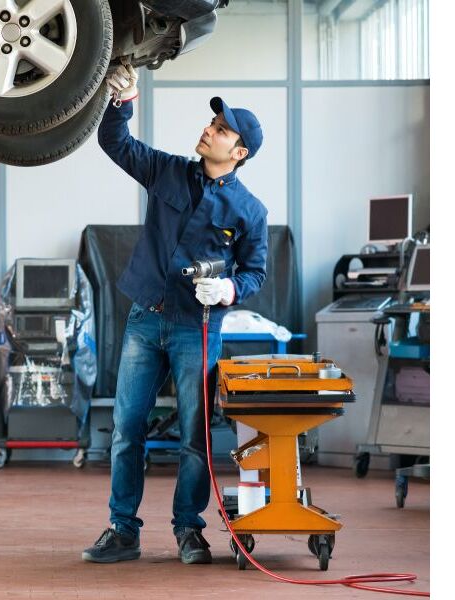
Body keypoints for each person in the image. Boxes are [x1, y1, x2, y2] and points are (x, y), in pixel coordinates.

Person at [81, 62, 269, 564]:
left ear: (240, 152)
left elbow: (256, 273)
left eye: (222, 130)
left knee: (195, 435)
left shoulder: (250, 212)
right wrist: (123, 101)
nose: (209, 130)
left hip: (197, 330)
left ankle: (189, 529)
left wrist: (229, 288)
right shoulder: (167, 170)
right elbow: (115, 143)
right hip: (145, 318)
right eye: (212, 124)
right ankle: (123, 530)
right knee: (127, 429)